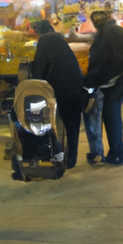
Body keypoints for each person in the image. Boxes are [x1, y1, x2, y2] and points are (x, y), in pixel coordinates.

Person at [83, 11, 123, 166]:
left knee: (111, 114)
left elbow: (99, 64)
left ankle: (117, 154)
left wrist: (88, 82)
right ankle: (117, 153)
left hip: (115, 79)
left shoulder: (104, 36)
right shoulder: (116, 30)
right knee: (113, 113)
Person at [29, 20, 83, 169]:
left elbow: (40, 67)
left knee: (54, 122)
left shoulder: (45, 40)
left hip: (61, 86)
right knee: (73, 123)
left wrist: (34, 85)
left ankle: (54, 155)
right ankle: (71, 159)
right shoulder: (59, 39)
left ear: (38, 32)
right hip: (76, 84)